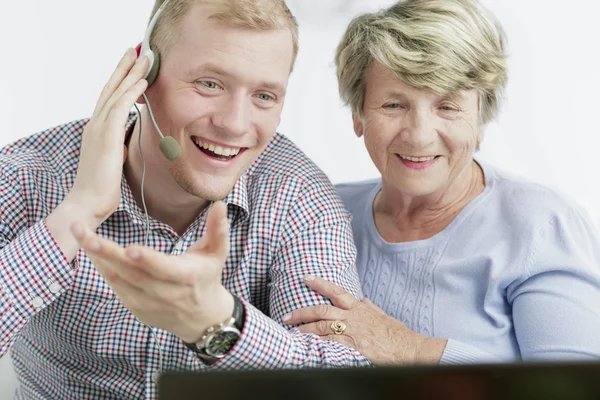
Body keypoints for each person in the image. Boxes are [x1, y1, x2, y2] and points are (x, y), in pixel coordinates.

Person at [0, 1, 371, 399]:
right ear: (143, 73)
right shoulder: (29, 175)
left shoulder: (297, 195)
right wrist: (79, 209)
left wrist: (218, 323)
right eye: (210, 84)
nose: (234, 124)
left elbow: (344, 381)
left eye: (264, 96)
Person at [284, 0, 600, 364]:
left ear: (482, 119)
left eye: (447, 107)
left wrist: (410, 349)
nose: (419, 136)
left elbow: (570, 390)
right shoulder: (318, 215)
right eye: (393, 105)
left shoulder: (543, 227)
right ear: (358, 114)